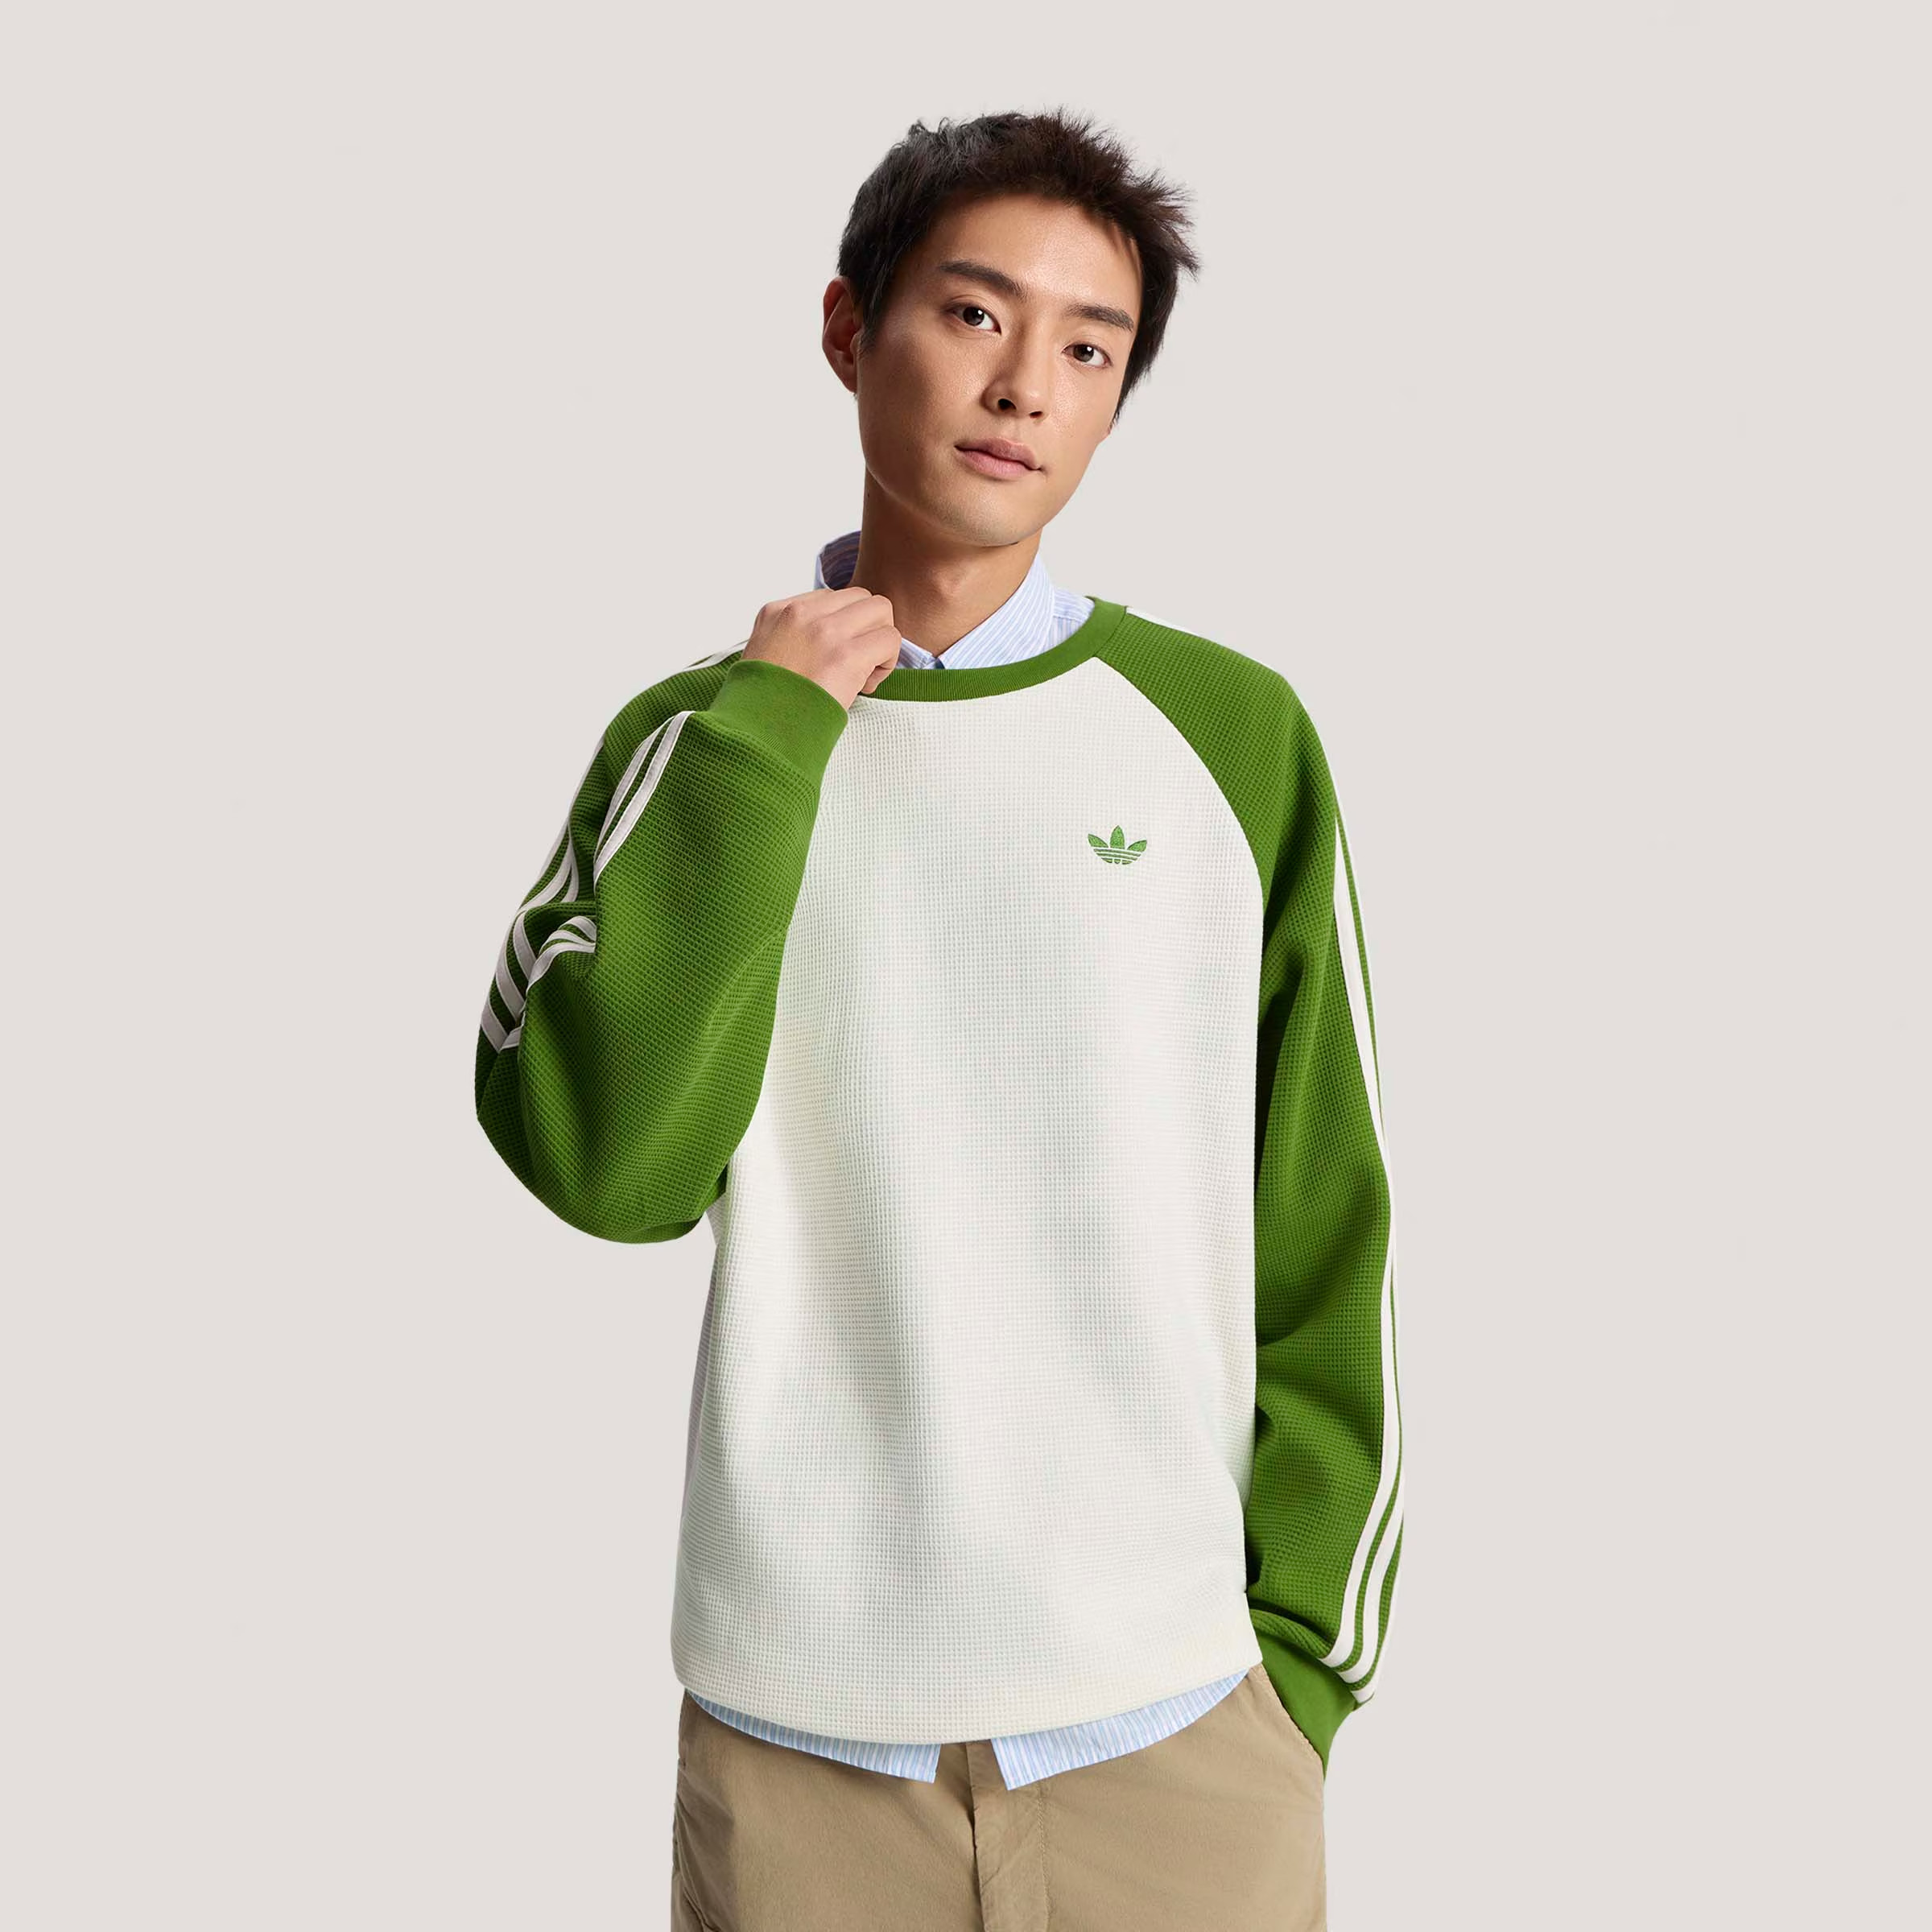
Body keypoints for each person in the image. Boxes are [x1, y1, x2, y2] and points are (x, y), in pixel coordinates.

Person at [473, 105, 1401, 1932]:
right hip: (799, 1749)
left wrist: (1300, 1667)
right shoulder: (702, 743)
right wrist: (767, 739)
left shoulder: (1232, 736)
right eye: (975, 314)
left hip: (1177, 1731)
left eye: (1089, 349)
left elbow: (1325, 1218)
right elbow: (606, 1171)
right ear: (850, 329)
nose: (1025, 386)